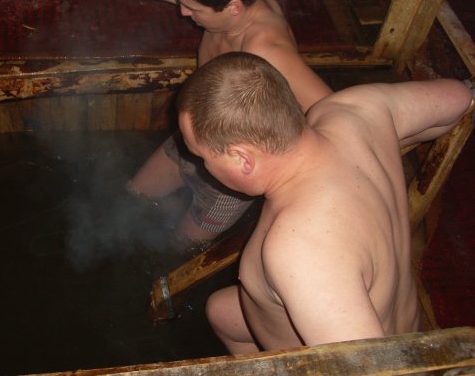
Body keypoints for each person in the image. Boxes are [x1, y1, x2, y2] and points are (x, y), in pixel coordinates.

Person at [176, 51, 473, 352]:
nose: (202, 166)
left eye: (202, 157)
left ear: (243, 159)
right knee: (220, 311)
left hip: (380, 354)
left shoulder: (300, 251)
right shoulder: (357, 108)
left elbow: (376, 367)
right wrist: (378, 146)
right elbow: (460, 97)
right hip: (386, 311)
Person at [126, 0, 332, 248]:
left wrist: (294, 193)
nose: (183, 13)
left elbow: (336, 112)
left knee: (178, 248)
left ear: (233, 7)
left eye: (192, 9)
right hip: (194, 139)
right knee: (132, 197)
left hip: (230, 177)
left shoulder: (267, 50)